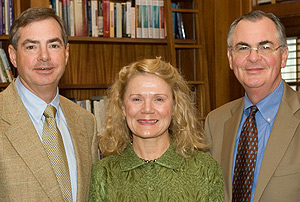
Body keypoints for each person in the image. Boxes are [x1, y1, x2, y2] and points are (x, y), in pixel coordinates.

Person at [89, 58, 224, 201]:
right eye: (137, 99)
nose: (147, 109)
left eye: (158, 99)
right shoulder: (103, 174)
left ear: (174, 107)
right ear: (122, 107)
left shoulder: (206, 170)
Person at [0, 7, 99, 201]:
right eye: (31, 46)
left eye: (53, 45)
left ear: (66, 53)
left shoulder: (86, 122)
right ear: (12, 56)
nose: (44, 56)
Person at [205, 10, 300, 202]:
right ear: (231, 58)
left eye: (265, 47)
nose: (253, 57)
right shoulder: (215, 122)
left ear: (283, 56)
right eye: (243, 48)